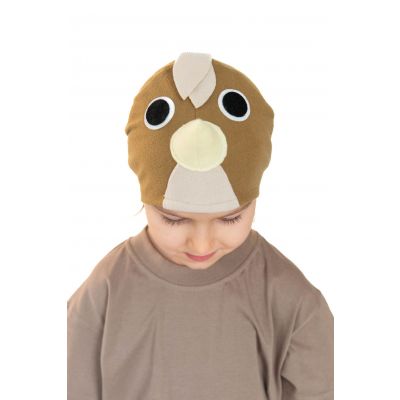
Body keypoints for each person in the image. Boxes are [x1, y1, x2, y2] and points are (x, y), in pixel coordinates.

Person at [67, 52, 334, 400]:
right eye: (174, 219)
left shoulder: (293, 301)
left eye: (230, 217)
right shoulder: (103, 293)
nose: (202, 244)